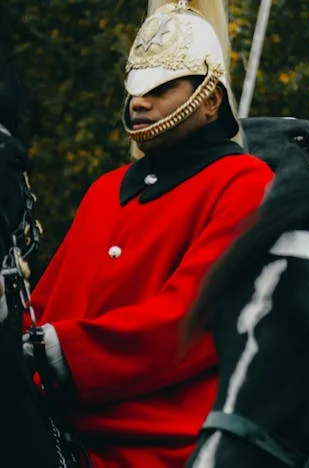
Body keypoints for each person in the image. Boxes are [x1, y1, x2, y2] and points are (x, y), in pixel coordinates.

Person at [25, 0, 274, 466]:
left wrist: (65, 352)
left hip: (160, 440)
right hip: (58, 416)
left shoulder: (246, 183)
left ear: (211, 99)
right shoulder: (105, 189)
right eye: (136, 88)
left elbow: (192, 315)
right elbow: (44, 307)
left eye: (161, 88)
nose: (140, 102)